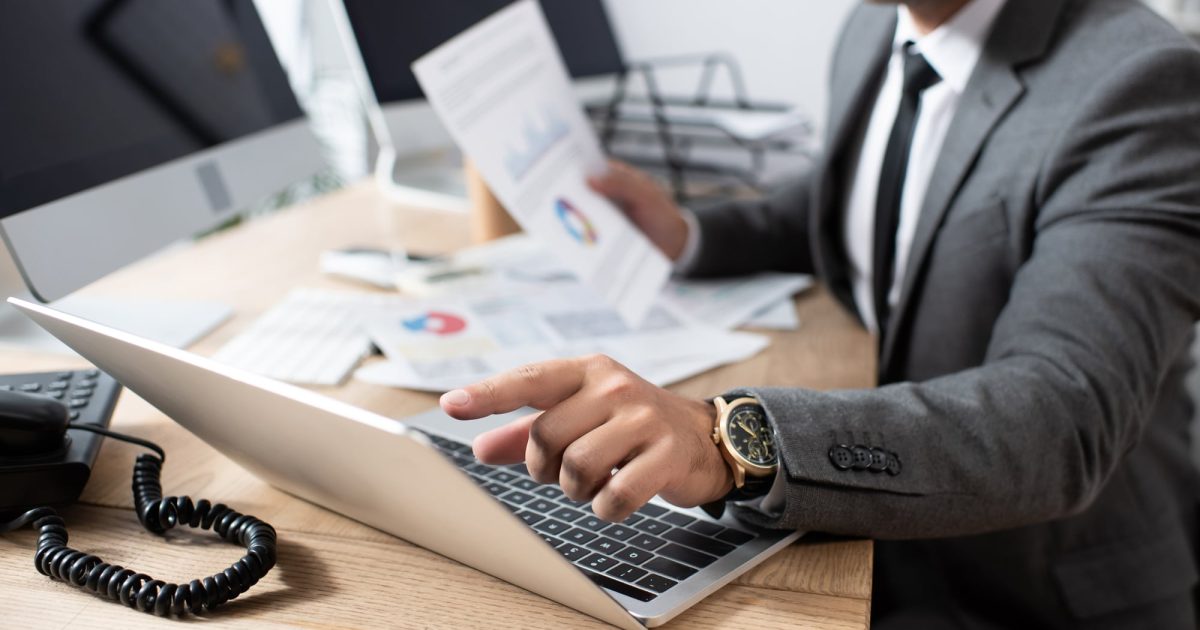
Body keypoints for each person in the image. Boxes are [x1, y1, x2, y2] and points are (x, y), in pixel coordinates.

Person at [440, 0, 1200, 626]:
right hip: (869, 528)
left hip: (1032, 584)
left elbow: (1059, 416)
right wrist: (692, 235)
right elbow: (854, 198)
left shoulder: (1141, 82)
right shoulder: (875, 26)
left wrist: (729, 439)